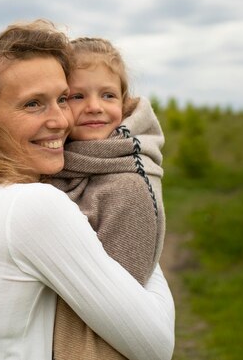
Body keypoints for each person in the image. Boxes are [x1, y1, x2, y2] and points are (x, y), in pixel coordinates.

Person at [0, 20, 174, 360]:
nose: (61, 120)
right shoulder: (35, 206)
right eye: (33, 104)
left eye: (61, 99)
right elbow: (155, 346)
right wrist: (149, 211)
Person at [50, 37, 167, 360]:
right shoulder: (59, 162)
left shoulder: (126, 183)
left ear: (125, 103)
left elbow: (118, 302)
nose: (94, 106)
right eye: (77, 96)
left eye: (108, 95)